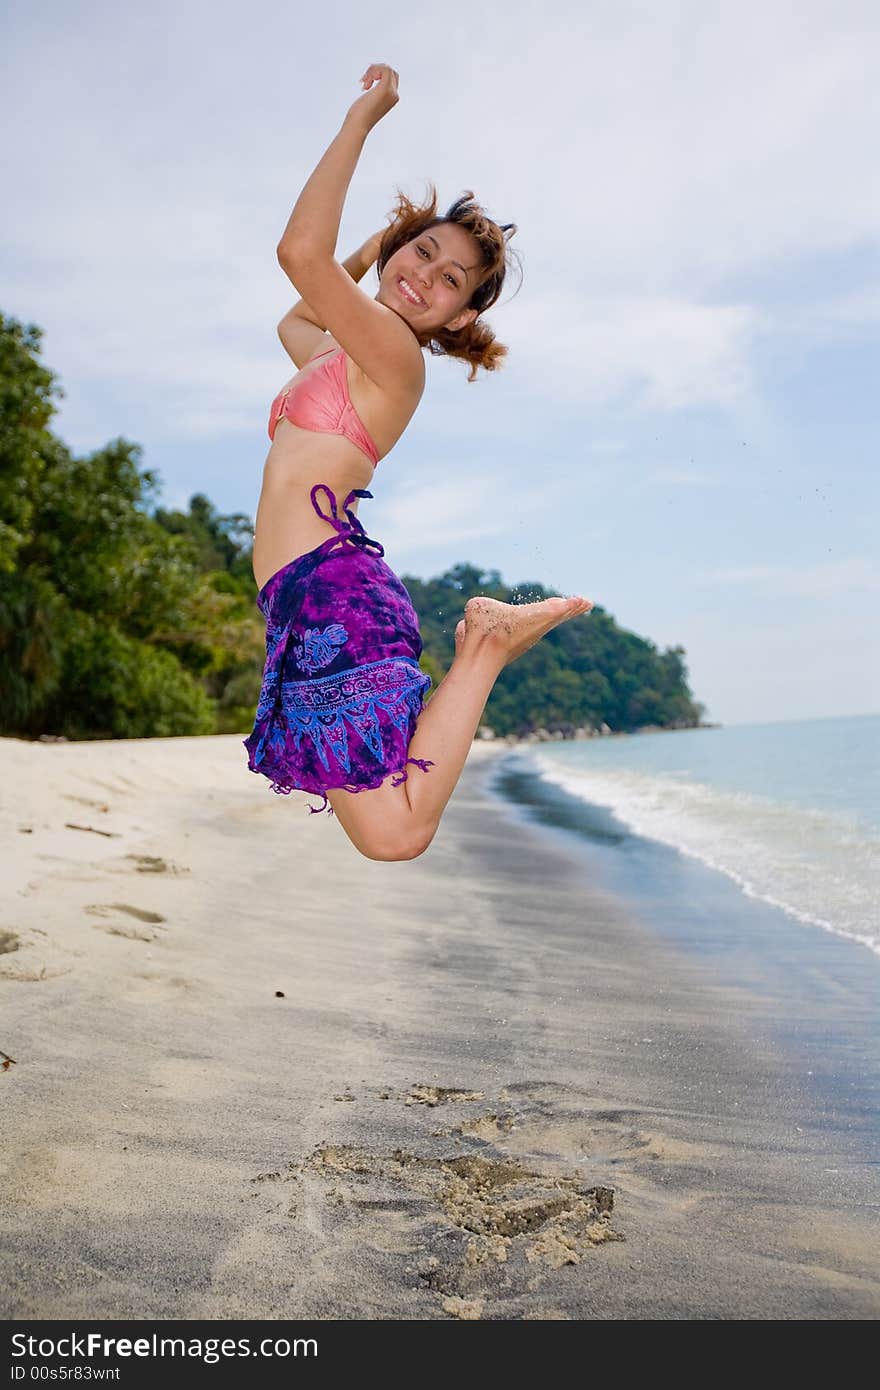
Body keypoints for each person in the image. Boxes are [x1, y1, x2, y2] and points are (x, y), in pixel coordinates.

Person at [244, 63, 593, 861]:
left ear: (461, 313)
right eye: (422, 253)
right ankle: (487, 645)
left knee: (396, 833)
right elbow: (297, 316)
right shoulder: (340, 354)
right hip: (302, 604)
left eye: (448, 280)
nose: (423, 277)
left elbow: (301, 254)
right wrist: (382, 250)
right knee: (388, 830)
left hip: (336, 596)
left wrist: (362, 121)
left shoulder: (396, 358)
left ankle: (488, 645)